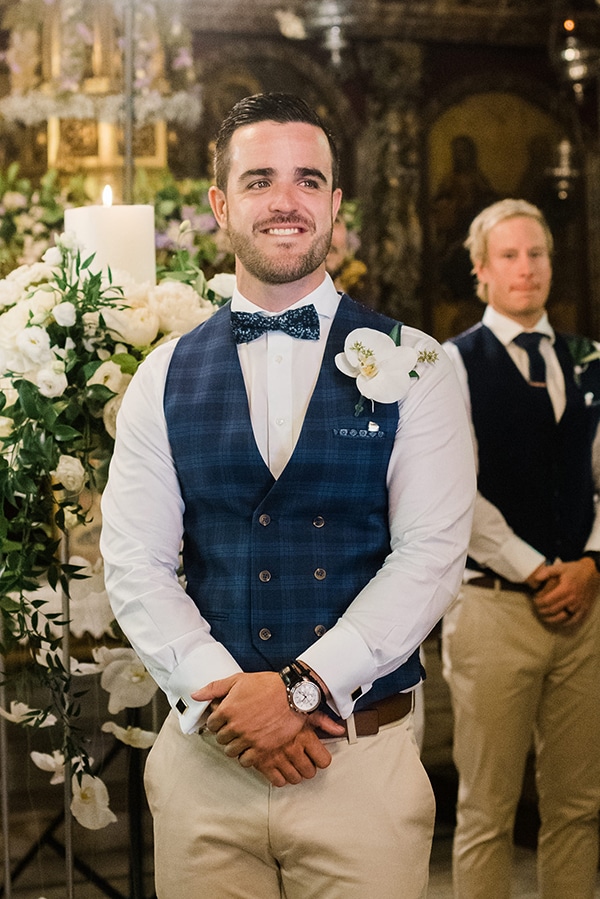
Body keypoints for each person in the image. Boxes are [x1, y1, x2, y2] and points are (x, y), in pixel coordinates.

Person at [100, 92, 476, 899]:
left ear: (336, 204)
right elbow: (134, 560)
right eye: (259, 178)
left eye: (308, 179)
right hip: (207, 774)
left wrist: (304, 688)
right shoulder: (162, 375)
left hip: (362, 772)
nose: (285, 199)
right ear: (219, 206)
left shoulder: (418, 365)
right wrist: (228, 701)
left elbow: (431, 557)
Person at [442, 197, 600, 899]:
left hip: (586, 605)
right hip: (495, 609)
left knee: (578, 804)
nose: (526, 268)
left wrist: (591, 562)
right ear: (481, 271)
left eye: (536, 254)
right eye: (509, 255)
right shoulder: (450, 365)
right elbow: (454, 494)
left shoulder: (590, 358)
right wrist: (539, 570)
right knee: (487, 808)